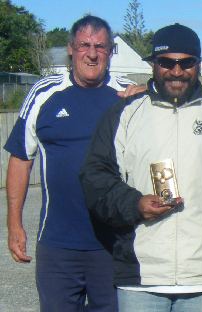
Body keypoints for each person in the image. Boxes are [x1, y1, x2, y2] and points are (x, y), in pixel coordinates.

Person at [79, 23, 202, 312]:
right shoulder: (125, 114)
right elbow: (95, 179)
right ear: (153, 64)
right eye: (166, 62)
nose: (176, 71)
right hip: (142, 277)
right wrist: (135, 204)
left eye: (186, 62)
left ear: (198, 65)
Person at [4, 15, 135, 311]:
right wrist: (14, 224)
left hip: (114, 244)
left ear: (110, 51)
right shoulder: (43, 93)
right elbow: (21, 159)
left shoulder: (129, 95)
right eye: (84, 45)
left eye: (100, 47)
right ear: (71, 49)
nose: (92, 53)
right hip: (58, 245)